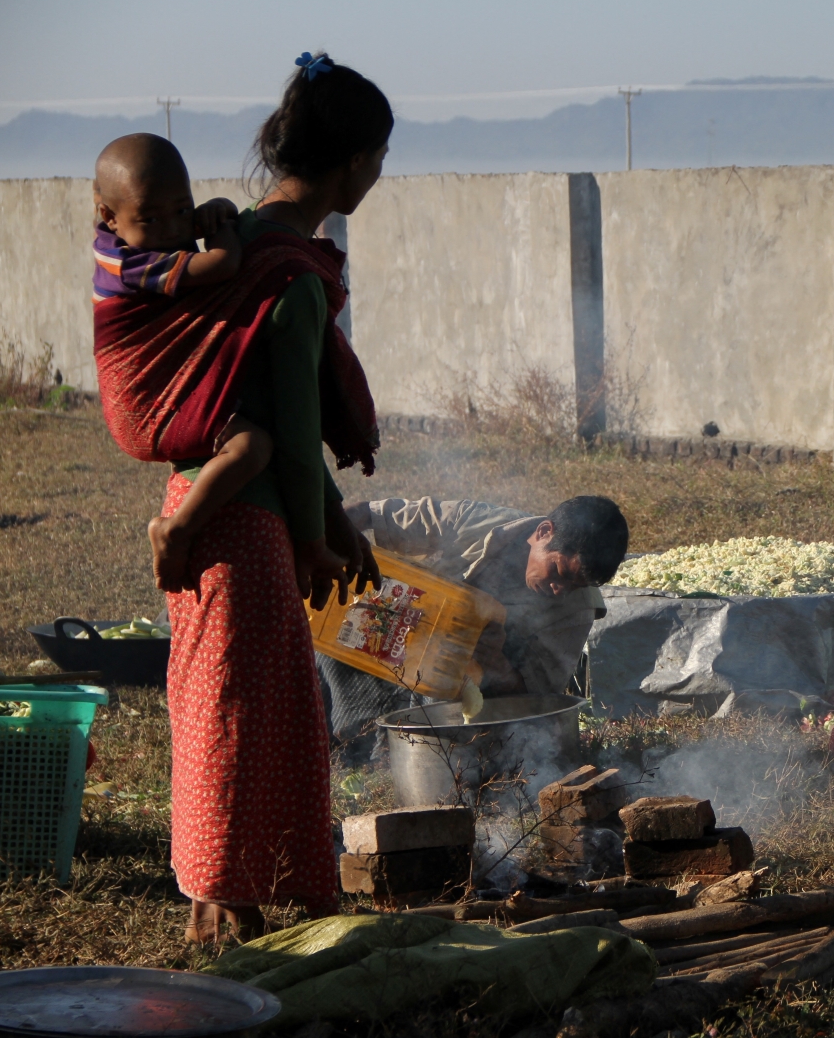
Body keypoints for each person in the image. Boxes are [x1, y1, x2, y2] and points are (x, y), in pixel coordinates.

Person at [96, 52, 391, 944]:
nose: (379, 174)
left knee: (229, 707)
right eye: (379, 157)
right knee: (238, 716)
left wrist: (337, 523)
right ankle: (227, 904)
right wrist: (316, 538)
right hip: (242, 527)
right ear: (352, 164)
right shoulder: (294, 274)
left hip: (209, 498)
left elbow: (268, 419)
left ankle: (240, 894)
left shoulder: (243, 243)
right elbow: (294, 437)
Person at [89, 132, 276, 591]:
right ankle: (177, 529)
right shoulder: (129, 262)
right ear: (109, 217)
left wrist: (214, 209)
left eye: (181, 209)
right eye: (151, 217)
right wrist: (222, 231)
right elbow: (221, 267)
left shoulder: (146, 241)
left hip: (165, 394)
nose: (173, 228)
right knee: (251, 448)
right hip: (143, 403)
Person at [321, 496, 629, 755]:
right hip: (404, 631)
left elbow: (541, 697)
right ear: (543, 532)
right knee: (334, 639)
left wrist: (496, 664)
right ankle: (344, 745)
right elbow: (370, 513)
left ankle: (388, 756)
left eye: (576, 585)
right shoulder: (482, 524)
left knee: (440, 693)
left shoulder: (577, 612)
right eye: (559, 572)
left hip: (470, 691)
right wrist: (321, 536)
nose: (560, 590)